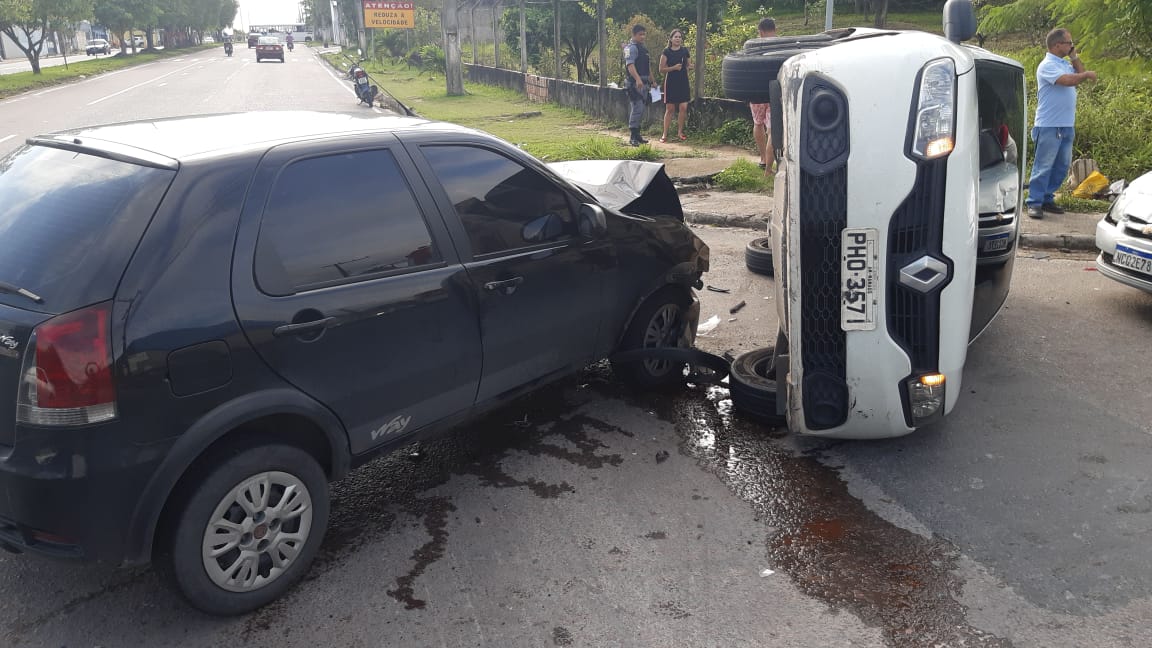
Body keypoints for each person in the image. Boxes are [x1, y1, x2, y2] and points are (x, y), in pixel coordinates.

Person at [1026, 28, 1097, 219]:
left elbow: (1079, 74)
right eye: (1069, 43)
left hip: (1066, 124)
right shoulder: (1047, 65)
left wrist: (1074, 57)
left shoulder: (1064, 63)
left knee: (1061, 165)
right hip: (1049, 125)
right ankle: (1034, 202)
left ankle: (1047, 198)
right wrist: (1086, 75)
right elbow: (1067, 81)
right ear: (1057, 45)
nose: (1071, 46)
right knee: (1044, 165)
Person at [749, 17, 777, 175]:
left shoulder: (753, 46)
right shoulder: (783, 46)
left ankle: (763, 159)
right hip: (775, 93)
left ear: (760, 31)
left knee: (758, 123)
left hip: (756, 93)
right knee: (772, 131)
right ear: (775, 29)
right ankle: (768, 170)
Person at [659, 29, 693, 143]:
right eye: (676, 37)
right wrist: (673, 68)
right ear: (671, 39)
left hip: (683, 81)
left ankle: (680, 132)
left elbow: (689, 64)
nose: (678, 39)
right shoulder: (666, 52)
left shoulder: (684, 51)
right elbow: (661, 69)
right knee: (670, 109)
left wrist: (692, 66)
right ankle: (665, 134)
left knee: (683, 107)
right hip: (671, 83)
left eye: (679, 37)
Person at [623, 24, 652, 147]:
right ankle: (632, 136)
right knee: (637, 108)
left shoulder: (643, 49)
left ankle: (638, 135)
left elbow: (648, 67)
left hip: (644, 83)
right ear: (633, 35)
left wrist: (653, 81)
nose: (643, 37)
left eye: (644, 34)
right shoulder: (631, 48)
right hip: (635, 84)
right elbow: (630, 65)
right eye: (640, 34)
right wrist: (637, 79)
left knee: (641, 110)